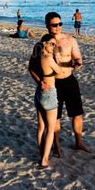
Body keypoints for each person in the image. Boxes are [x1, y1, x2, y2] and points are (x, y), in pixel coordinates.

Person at [29, 12, 90, 156]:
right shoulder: (41, 45)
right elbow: (31, 67)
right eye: (54, 25)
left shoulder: (70, 40)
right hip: (53, 85)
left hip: (70, 81)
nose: (58, 27)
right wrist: (39, 82)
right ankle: (57, 146)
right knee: (55, 118)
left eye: (60, 24)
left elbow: (77, 58)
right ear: (47, 26)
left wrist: (78, 63)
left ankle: (79, 143)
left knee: (77, 114)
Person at [33, 34, 62, 167]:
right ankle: (44, 159)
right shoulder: (49, 58)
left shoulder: (37, 56)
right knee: (50, 129)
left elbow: (33, 69)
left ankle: (42, 153)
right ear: (45, 44)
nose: (55, 46)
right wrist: (57, 57)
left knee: (41, 127)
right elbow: (59, 71)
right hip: (49, 94)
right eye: (52, 44)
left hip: (39, 93)